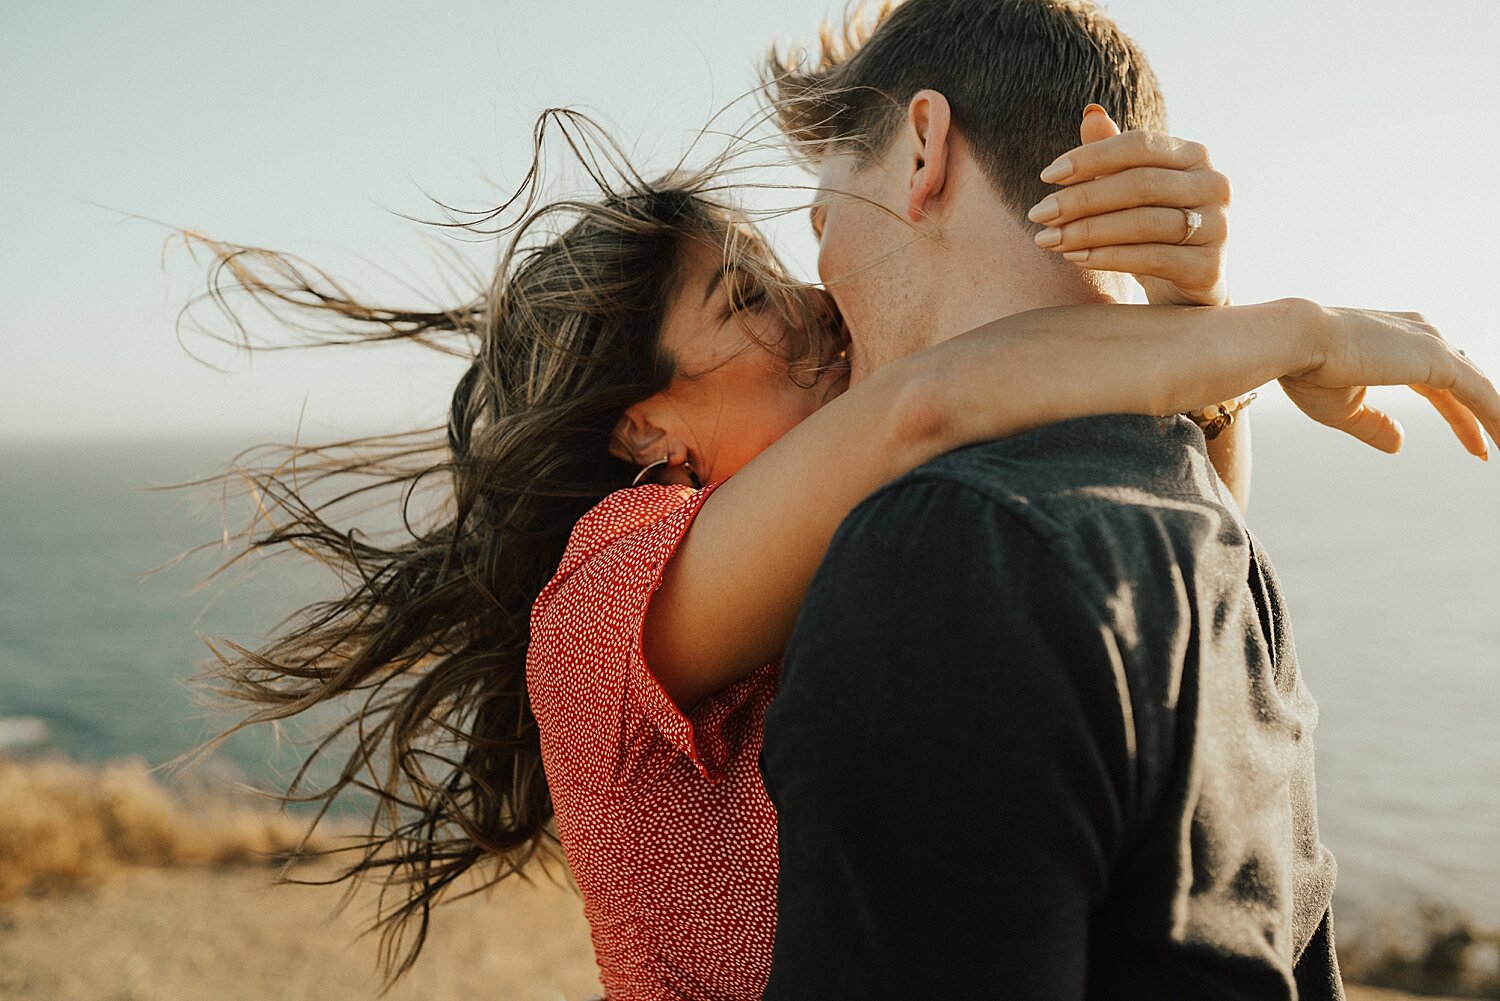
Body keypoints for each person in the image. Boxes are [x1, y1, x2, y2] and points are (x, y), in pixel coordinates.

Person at [194, 108, 1497, 1001]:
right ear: (643, 426)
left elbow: (1184, 566)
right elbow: (929, 403)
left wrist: (1199, 332)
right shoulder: (600, 594)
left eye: (775, 269)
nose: (812, 301)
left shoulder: (853, 536)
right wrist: (1300, 331)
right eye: (745, 298)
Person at [752, 1, 1494, 997]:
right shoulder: (1210, 522)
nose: (820, 268)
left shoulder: (948, 553)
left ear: (923, 146)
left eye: (822, 214)